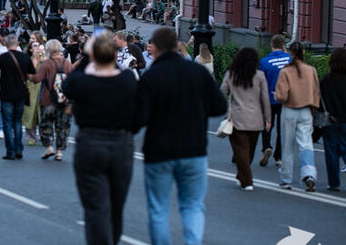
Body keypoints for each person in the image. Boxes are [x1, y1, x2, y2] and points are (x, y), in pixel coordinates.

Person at [136, 27, 226, 245]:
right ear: (177, 46)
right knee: (193, 205)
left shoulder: (151, 77)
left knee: (159, 207)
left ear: (154, 49)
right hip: (194, 150)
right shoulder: (198, 73)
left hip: (159, 151)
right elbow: (220, 106)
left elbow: (138, 117)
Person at [63, 33, 139, 245]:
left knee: (95, 207)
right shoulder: (127, 80)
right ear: (116, 56)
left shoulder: (82, 81)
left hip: (90, 143)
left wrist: (87, 56)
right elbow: (140, 114)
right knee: (116, 206)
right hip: (121, 144)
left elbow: (67, 84)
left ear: (92, 54)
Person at [220, 47, 271, 190]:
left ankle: (246, 180)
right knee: (250, 150)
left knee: (240, 150)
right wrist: (268, 118)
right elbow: (265, 98)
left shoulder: (231, 74)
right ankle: (243, 176)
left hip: (237, 118)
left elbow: (222, 92)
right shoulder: (260, 76)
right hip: (256, 119)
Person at [275, 42, 321, 191]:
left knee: (287, 146)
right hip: (307, 110)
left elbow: (282, 96)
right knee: (306, 144)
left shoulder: (285, 71)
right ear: (303, 53)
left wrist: (277, 96)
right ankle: (309, 175)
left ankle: (286, 179)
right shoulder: (311, 70)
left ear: (291, 54)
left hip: (289, 110)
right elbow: (316, 92)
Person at [0, 34, 35, 159]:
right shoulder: (25, 58)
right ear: (17, 44)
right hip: (20, 93)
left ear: (7, 44)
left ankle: (10, 151)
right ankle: (19, 148)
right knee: (18, 122)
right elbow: (32, 76)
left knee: (7, 123)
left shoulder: (2, 58)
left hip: (6, 93)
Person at [319, 48, 346, 191]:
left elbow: (321, 99)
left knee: (331, 151)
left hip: (331, 120)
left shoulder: (327, 79)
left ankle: (334, 182)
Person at [29, 39, 73, 161]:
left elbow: (37, 79)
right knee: (63, 126)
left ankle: (49, 147)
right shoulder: (67, 63)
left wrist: (28, 75)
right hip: (65, 99)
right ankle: (59, 151)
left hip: (48, 99)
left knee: (46, 124)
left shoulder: (47, 64)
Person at [258, 34, 291, 167]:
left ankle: (267, 146)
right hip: (285, 100)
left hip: (269, 99)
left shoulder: (264, 62)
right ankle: (279, 156)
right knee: (281, 129)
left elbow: (260, 81)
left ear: (272, 45)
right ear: (283, 45)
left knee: (267, 124)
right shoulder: (289, 59)